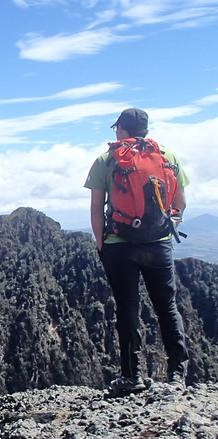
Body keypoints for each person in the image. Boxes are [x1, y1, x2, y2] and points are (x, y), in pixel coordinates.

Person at [84, 108, 189, 395]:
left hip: (119, 245)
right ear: (144, 129)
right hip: (159, 243)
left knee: (128, 309)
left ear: (121, 129)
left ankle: (132, 377)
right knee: (167, 306)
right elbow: (179, 202)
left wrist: (101, 242)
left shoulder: (107, 159)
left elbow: (96, 207)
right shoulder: (167, 157)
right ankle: (178, 375)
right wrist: (167, 226)